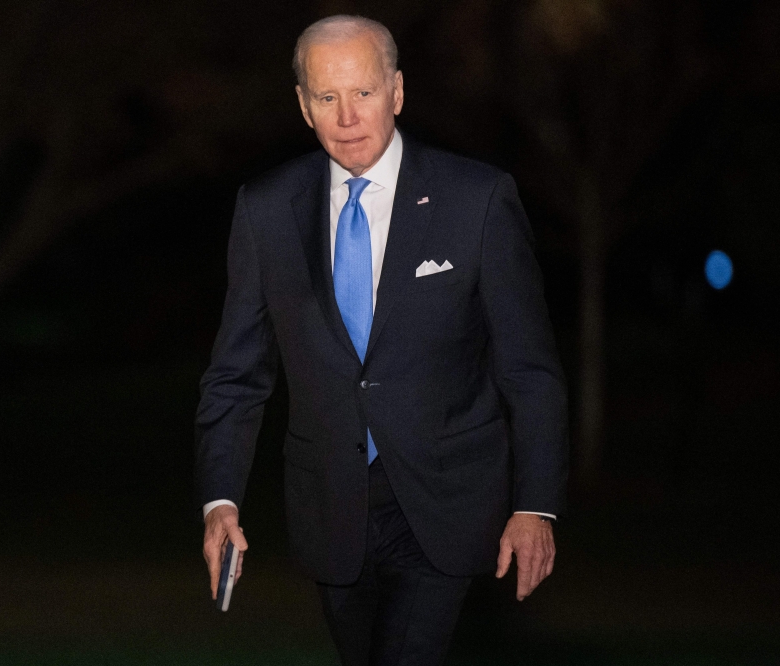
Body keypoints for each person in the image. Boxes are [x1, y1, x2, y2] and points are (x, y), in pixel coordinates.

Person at [194, 14, 568, 666]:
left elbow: (528, 368)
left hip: (445, 503)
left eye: (363, 92)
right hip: (331, 508)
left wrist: (536, 506)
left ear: (396, 92)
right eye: (327, 97)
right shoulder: (266, 210)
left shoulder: (476, 199)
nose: (347, 115)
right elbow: (238, 372)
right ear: (303, 106)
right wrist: (219, 501)